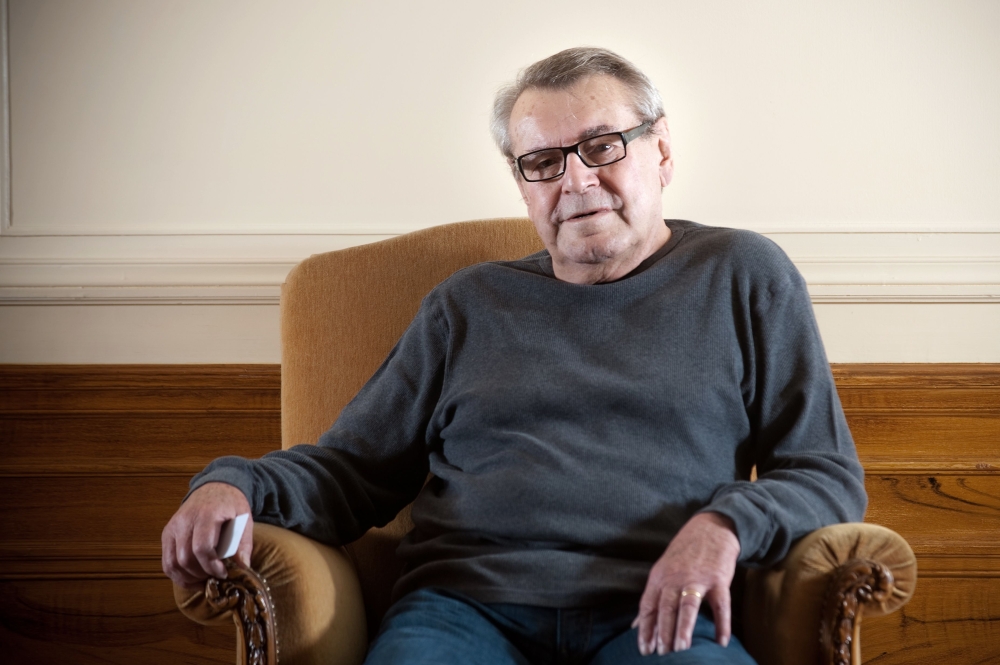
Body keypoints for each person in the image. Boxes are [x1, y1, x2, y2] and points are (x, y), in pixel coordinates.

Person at [162, 47, 866, 664]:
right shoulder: (467, 305)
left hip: (657, 607)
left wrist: (724, 525)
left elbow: (825, 472)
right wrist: (235, 483)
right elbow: (354, 470)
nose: (576, 181)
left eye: (602, 146)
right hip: (464, 608)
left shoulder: (744, 273)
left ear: (662, 151)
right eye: (543, 161)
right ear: (523, 180)